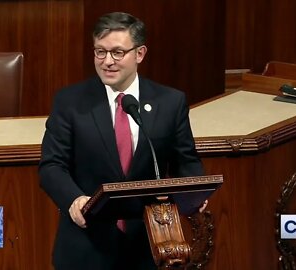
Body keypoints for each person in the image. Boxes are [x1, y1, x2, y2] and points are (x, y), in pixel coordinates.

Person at [39, 11, 205, 270]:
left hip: (149, 243)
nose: (107, 61)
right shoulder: (70, 102)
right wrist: (73, 199)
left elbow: (186, 160)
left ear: (139, 54)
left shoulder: (170, 102)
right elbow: (51, 165)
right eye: (100, 52)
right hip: (87, 243)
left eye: (117, 53)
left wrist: (194, 191)